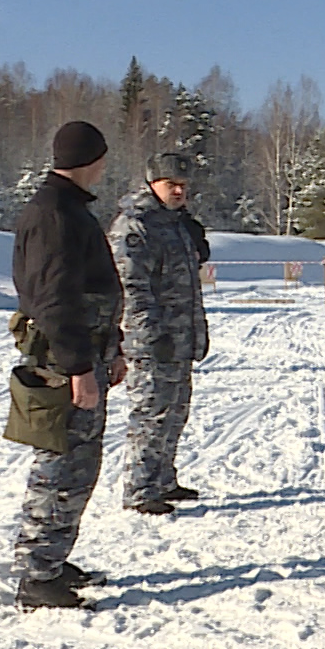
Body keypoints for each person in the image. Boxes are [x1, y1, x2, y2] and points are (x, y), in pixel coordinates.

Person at [8, 121, 126, 611]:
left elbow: (92, 291)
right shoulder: (55, 214)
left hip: (84, 354)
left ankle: (53, 559)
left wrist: (112, 348)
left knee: (78, 465)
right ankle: (37, 575)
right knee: (60, 466)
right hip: (64, 363)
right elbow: (55, 300)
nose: (104, 166)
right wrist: (79, 368)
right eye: (101, 158)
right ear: (90, 160)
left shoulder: (68, 208)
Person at [109, 152, 211, 517]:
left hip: (179, 337)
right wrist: (151, 334)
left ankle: (163, 479)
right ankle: (140, 488)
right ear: (152, 184)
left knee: (175, 411)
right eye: (171, 185)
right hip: (152, 341)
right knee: (151, 414)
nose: (179, 191)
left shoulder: (176, 223)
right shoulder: (136, 226)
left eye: (184, 185)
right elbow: (132, 287)